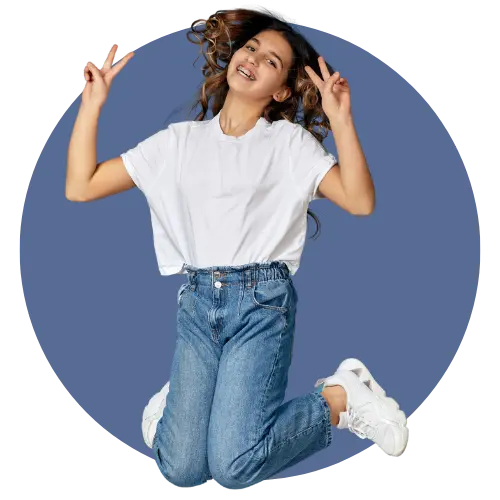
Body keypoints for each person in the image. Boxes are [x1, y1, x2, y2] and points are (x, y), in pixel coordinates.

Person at [66, 6, 409, 491]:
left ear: (282, 90)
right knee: (182, 470)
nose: (253, 58)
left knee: (233, 469)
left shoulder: (289, 144)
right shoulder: (178, 143)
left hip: (262, 304)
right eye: (251, 47)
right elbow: (82, 185)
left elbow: (359, 200)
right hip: (198, 300)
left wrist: (341, 120)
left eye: (272, 60)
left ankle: (339, 397)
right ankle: (179, 415)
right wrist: (92, 104)